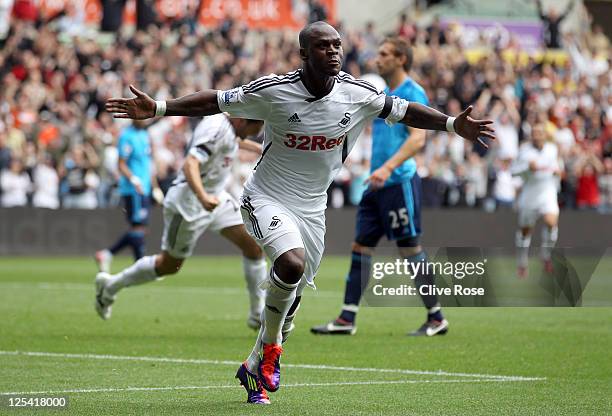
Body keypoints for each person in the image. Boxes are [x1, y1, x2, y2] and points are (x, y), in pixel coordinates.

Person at [105, 21, 494, 405]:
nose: (334, 52)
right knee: (290, 265)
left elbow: (406, 111)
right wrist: (158, 107)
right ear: (304, 54)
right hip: (266, 198)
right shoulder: (274, 90)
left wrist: (450, 125)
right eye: (324, 47)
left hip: (313, 209)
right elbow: (216, 100)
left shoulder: (357, 94)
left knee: (290, 302)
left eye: (338, 45)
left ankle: (255, 363)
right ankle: (271, 350)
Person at [310, 37, 448, 337]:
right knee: (361, 247)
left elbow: (418, 138)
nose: (378, 58)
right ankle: (347, 318)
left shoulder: (414, 92)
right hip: (375, 183)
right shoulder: (384, 94)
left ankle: (436, 317)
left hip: (398, 182)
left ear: (401, 59)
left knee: (409, 249)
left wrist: (387, 168)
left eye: (385, 54)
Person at [94, 114, 268, 330]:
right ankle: (110, 286)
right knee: (169, 265)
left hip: (215, 196)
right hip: (190, 202)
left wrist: (258, 149)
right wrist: (202, 197)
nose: (254, 133)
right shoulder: (216, 130)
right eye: (255, 128)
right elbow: (191, 164)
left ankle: (257, 314)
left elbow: (235, 139)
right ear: (243, 121)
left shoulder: (231, 125)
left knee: (253, 246)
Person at [95, 120, 162, 271]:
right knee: (138, 226)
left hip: (145, 187)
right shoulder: (126, 136)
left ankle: (108, 254)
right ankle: (141, 264)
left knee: (139, 227)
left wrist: (155, 186)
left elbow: (148, 162)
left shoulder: (145, 134)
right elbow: (121, 163)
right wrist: (133, 179)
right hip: (133, 189)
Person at [512, 123, 561, 278]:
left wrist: (557, 173)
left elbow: (556, 168)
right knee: (525, 232)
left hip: (547, 192)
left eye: (539, 133)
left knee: (551, 222)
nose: (537, 136)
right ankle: (522, 263)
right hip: (530, 194)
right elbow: (513, 172)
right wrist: (527, 168)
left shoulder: (552, 150)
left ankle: (545, 256)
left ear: (545, 135)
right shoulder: (524, 152)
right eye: (534, 133)